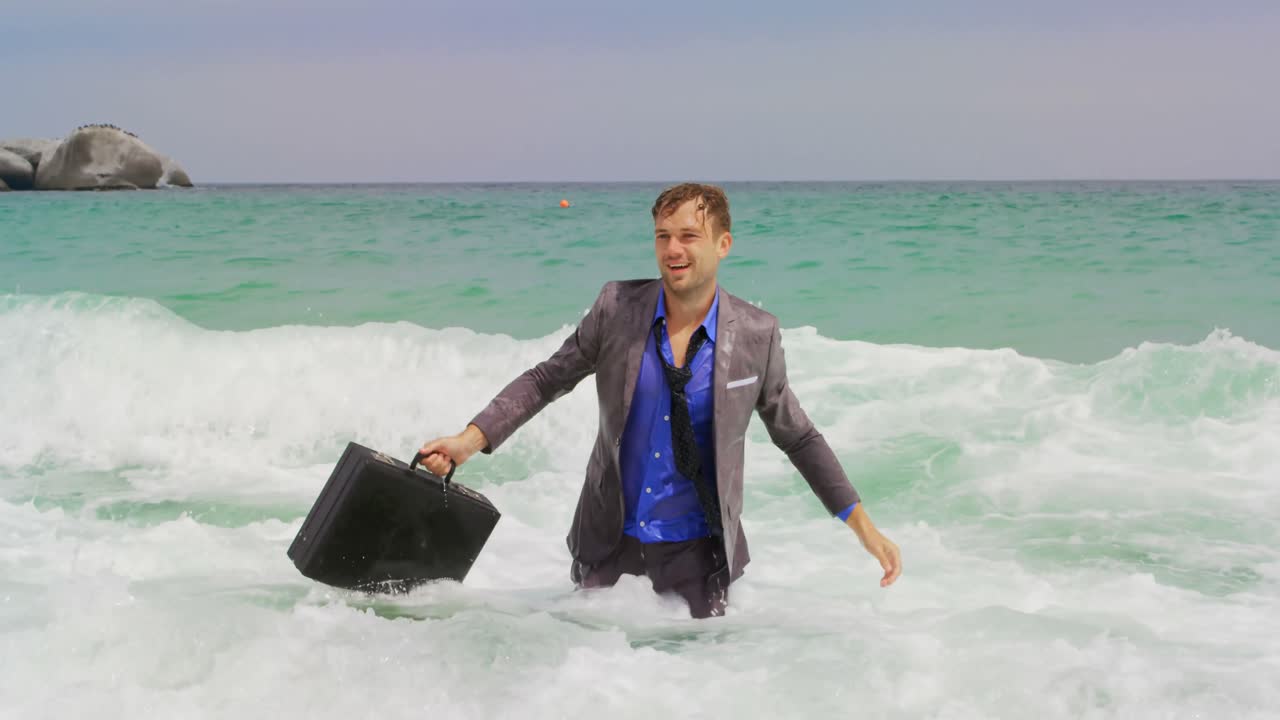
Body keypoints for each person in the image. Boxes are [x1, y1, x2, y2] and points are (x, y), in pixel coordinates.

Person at [418, 183, 902, 618]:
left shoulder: (756, 335)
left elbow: (797, 435)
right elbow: (547, 379)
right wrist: (470, 439)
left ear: (722, 245)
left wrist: (862, 525)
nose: (673, 249)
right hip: (609, 549)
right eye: (662, 236)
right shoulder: (616, 309)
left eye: (689, 236)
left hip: (699, 559)